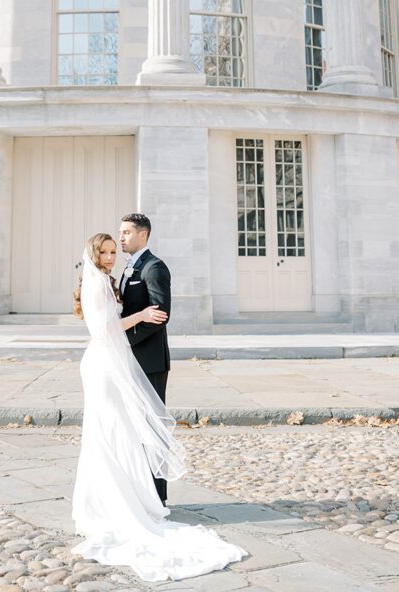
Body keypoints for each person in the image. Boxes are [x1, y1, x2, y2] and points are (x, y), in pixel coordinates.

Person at [71, 232, 246, 583]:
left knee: (118, 431)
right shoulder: (95, 285)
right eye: (104, 252)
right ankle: (105, 504)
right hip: (102, 365)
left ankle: (124, 497)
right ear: (93, 255)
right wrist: (140, 316)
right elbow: (102, 330)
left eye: (112, 251)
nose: (110, 256)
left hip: (112, 363)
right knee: (109, 431)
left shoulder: (108, 280)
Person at [119, 212, 171, 505]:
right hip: (130, 360)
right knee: (134, 428)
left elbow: (160, 316)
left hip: (149, 361)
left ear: (143, 235)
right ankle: (140, 491)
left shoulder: (154, 268)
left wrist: (123, 340)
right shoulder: (130, 268)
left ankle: (157, 497)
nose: (121, 237)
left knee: (152, 428)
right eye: (121, 232)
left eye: (126, 232)